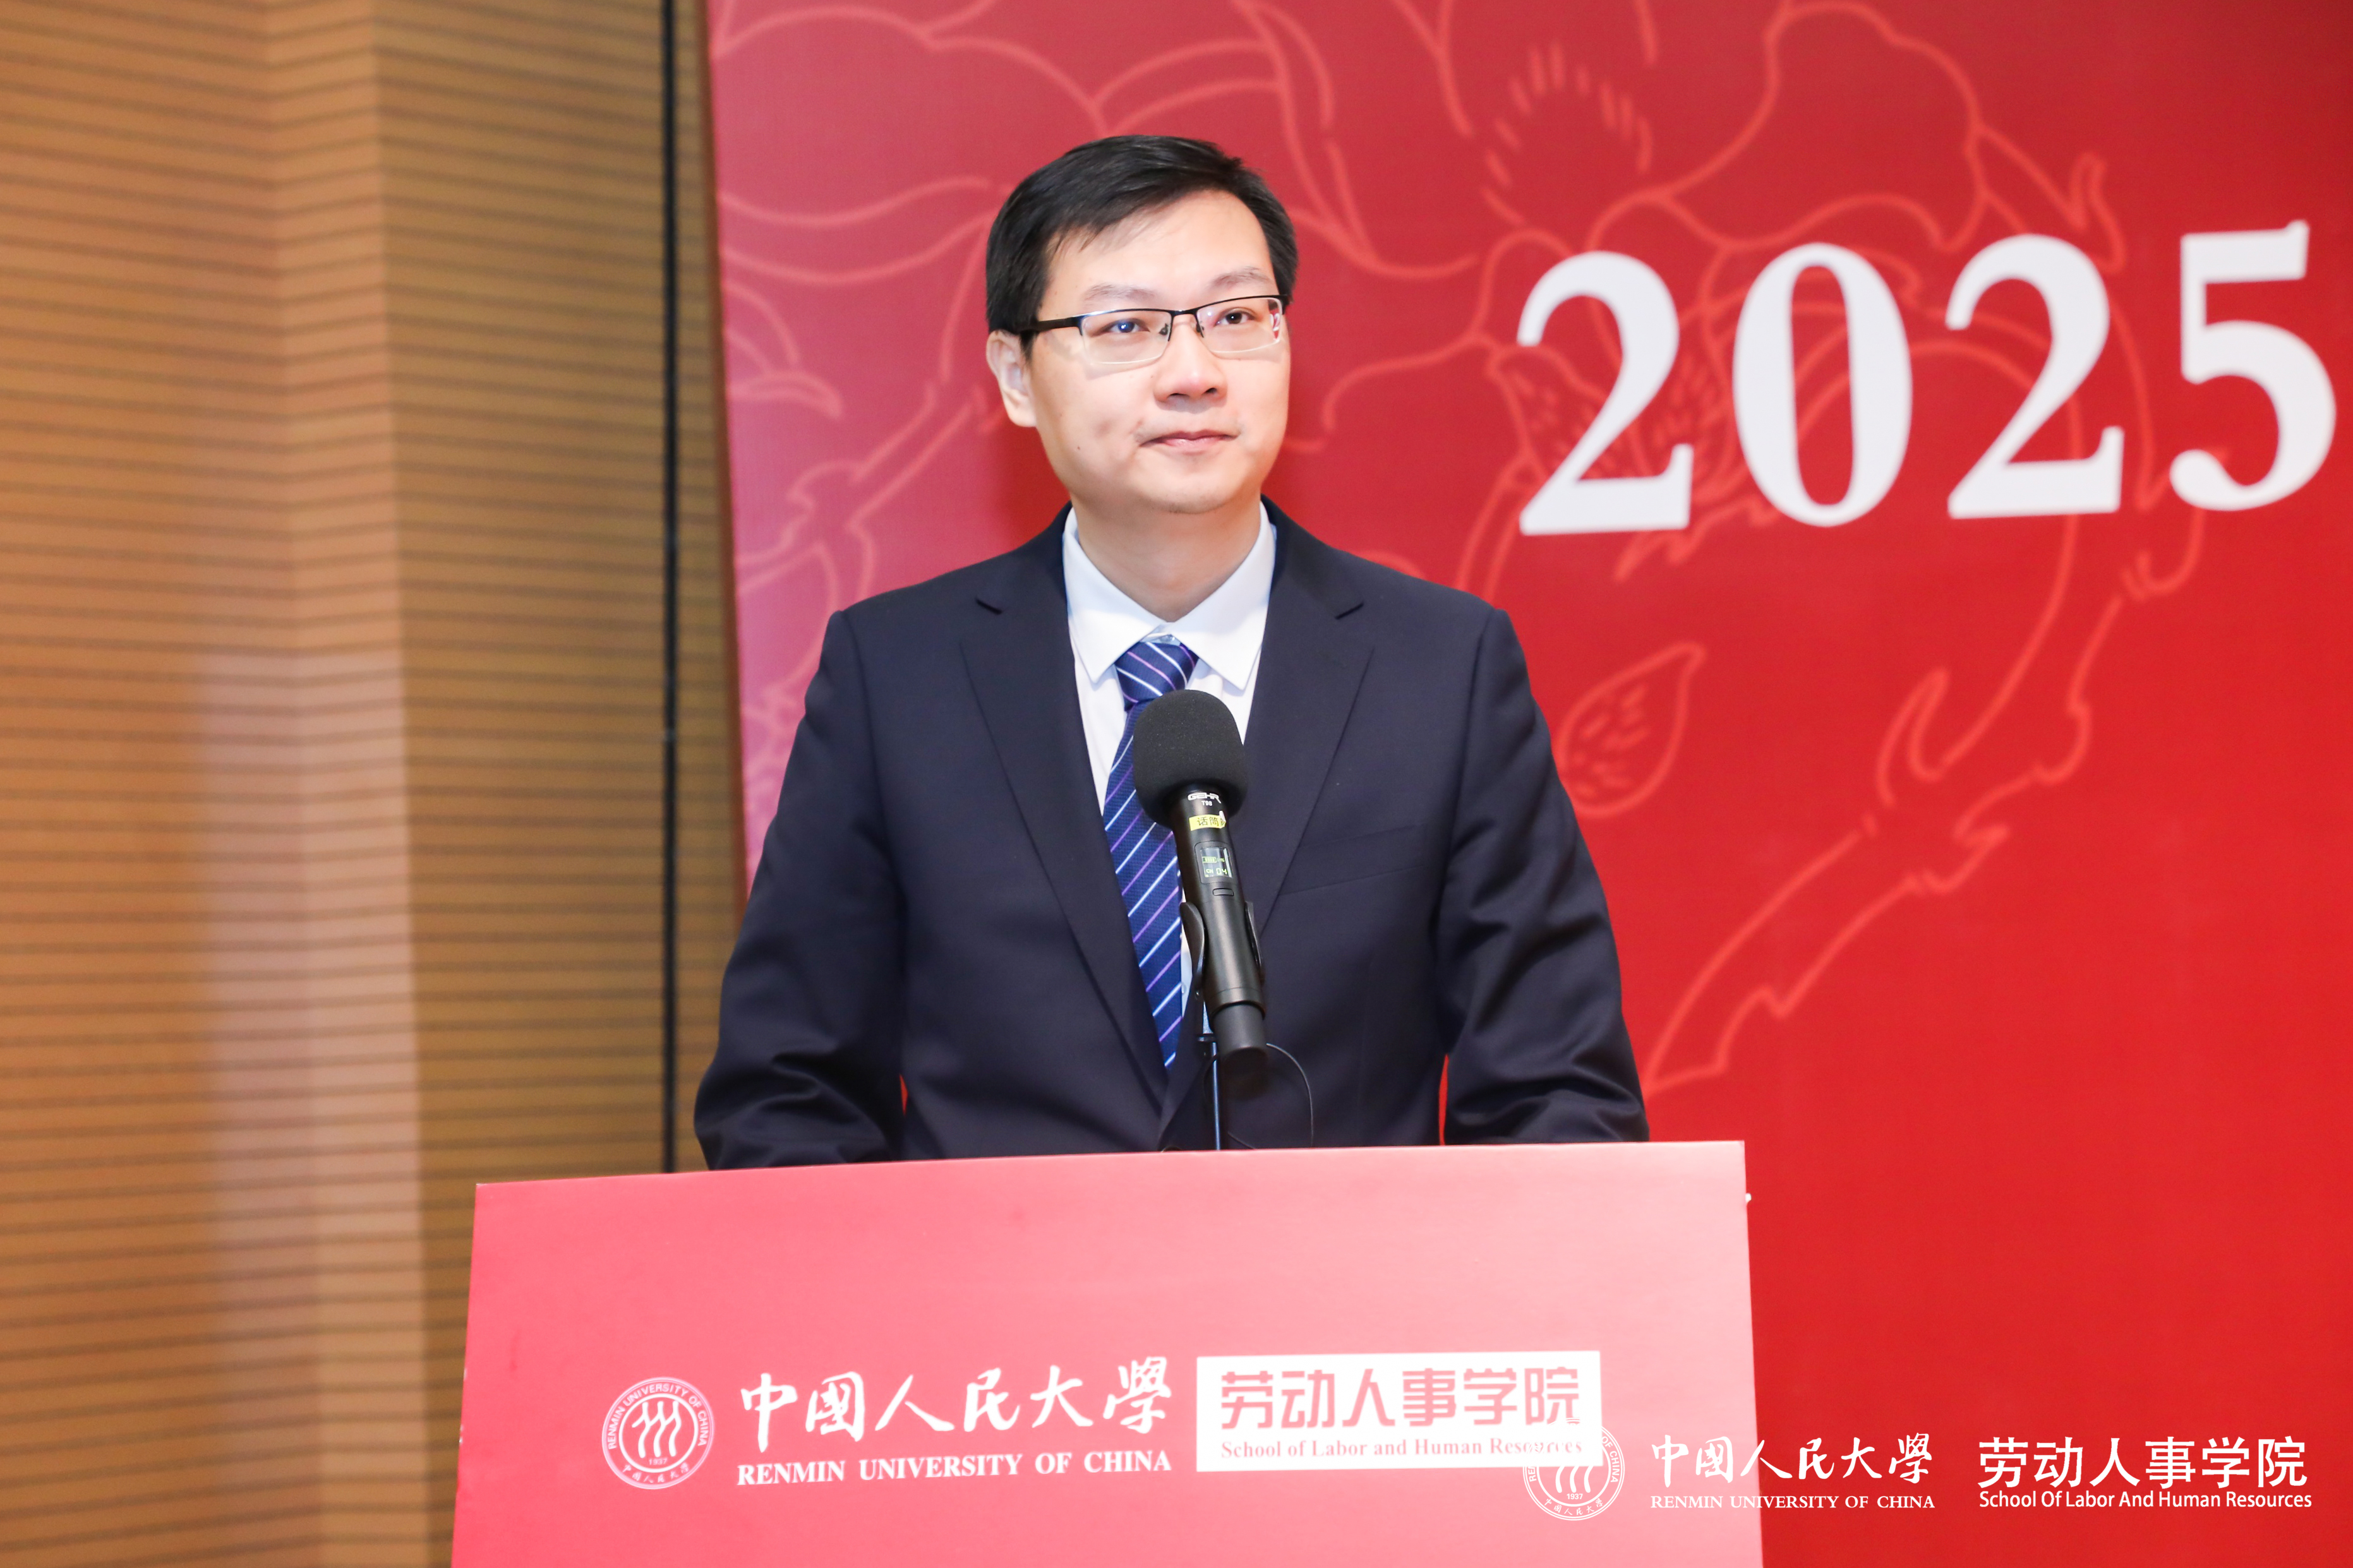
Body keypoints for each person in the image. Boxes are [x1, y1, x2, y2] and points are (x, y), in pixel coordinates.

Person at [697, 135, 1647, 1164]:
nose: (1193, 375)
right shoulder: (896, 678)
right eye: (1127, 327)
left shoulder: (1440, 669)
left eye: (1237, 318)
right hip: (998, 1271)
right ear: (1015, 376)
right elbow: (788, 1090)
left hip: (1338, 1272)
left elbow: (1555, 1091)